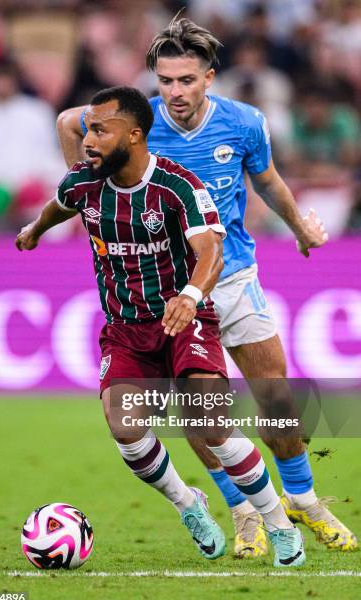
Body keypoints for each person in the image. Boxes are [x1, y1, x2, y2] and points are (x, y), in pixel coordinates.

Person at [55, 19, 358, 557]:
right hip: (170, 290)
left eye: (186, 80)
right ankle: (244, 514)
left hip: (234, 274)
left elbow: (266, 179)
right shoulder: (134, 122)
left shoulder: (245, 123)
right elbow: (66, 122)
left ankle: (303, 500)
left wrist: (299, 229)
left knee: (278, 401)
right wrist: (93, 197)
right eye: (165, 80)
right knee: (198, 414)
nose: (175, 92)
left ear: (209, 79)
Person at [16, 86, 306, 567]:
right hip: (126, 328)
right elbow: (60, 204)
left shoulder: (177, 186)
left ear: (133, 135)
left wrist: (191, 296)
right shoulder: (82, 182)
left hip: (184, 321)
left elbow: (211, 252)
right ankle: (189, 505)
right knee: (124, 425)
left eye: (100, 130)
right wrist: (35, 229)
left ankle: (277, 525)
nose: (88, 140)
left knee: (210, 423)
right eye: (88, 128)